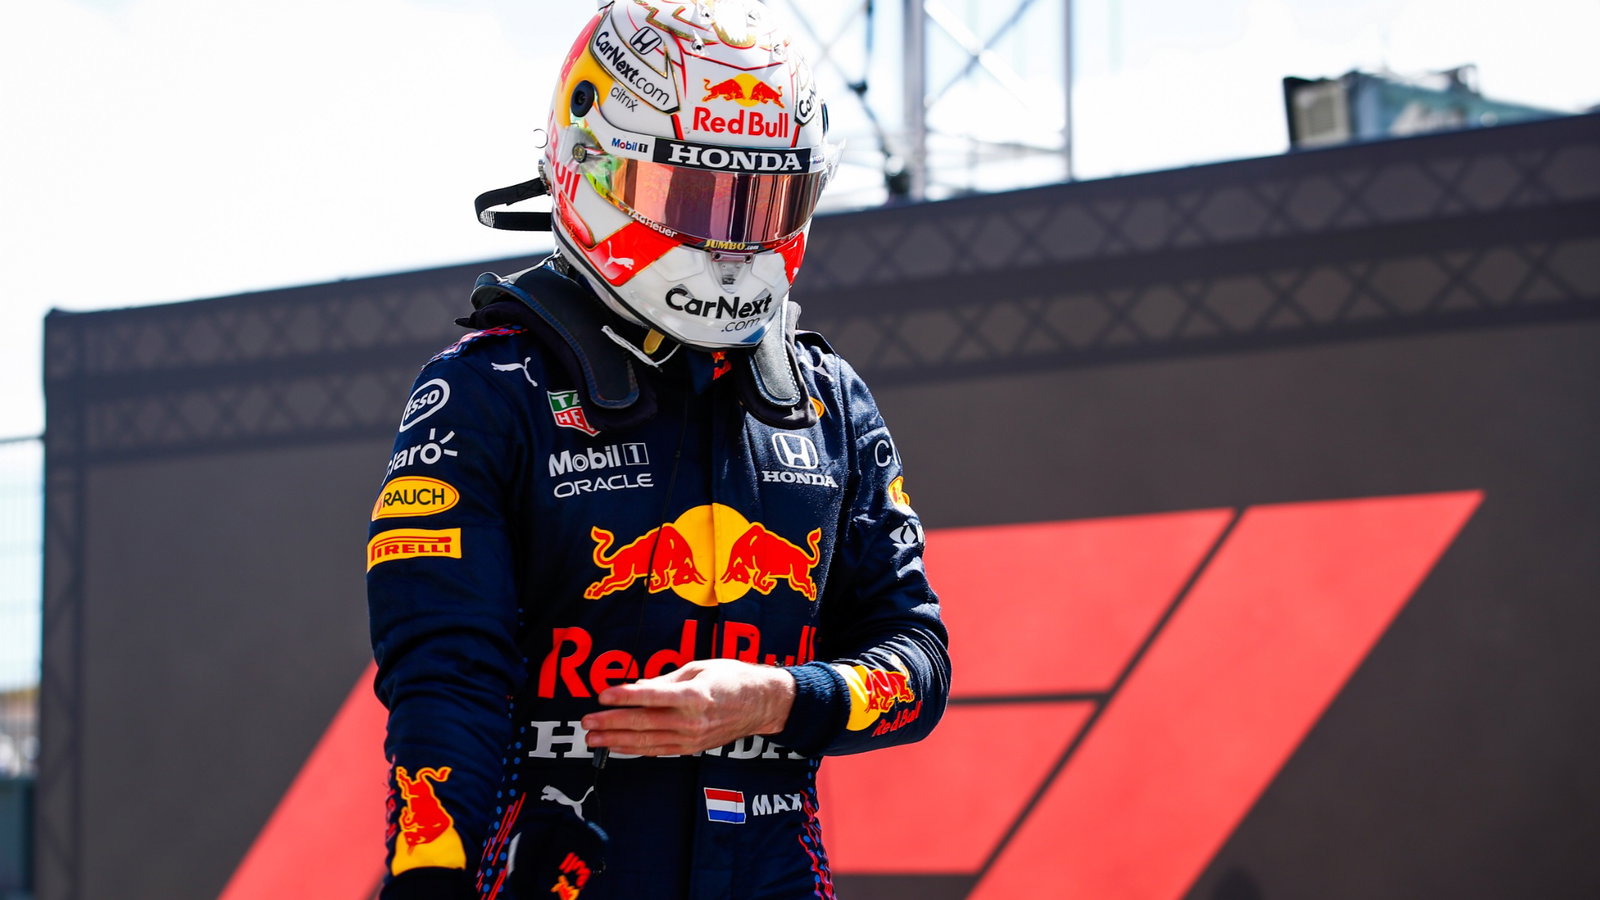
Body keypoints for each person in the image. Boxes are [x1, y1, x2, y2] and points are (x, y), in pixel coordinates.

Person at [366, 2, 950, 897]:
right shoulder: (485, 393)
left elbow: (918, 665)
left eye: (762, 201)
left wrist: (778, 699)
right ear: (589, 166)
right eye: (693, 196)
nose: (730, 239)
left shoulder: (829, 401)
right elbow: (447, 684)